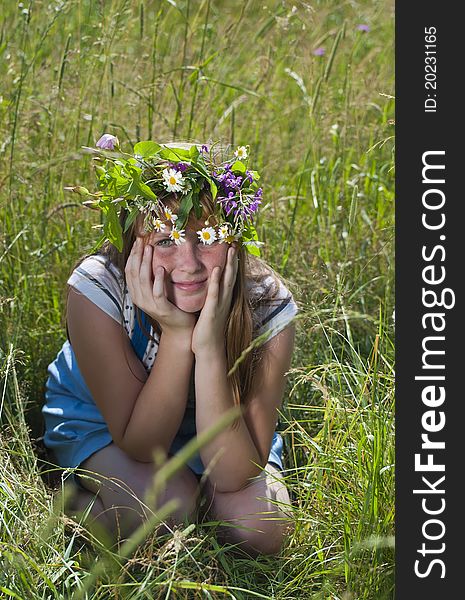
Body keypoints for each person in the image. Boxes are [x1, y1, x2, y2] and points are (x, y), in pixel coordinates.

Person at [42, 136, 298, 556]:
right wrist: (178, 336)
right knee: (169, 511)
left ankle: (194, 504)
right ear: (133, 244)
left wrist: (211, 346)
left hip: (223, 430)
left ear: (235, 239)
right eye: (165, 241)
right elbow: (141, 444)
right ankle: (76, 502)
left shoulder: (267, 305)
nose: (190, 263)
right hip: (113, 424)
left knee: (264, 529)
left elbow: (234, 474)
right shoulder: (98, 289)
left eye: (210, 236)